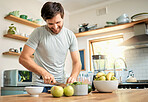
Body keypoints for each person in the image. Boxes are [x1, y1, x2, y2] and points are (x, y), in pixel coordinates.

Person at [19, 2, 81, 92]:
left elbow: (77, 62)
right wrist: (43, 72)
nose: (55, 27)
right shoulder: (38, 33)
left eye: (58, 22)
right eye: (51, 24)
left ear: (63, 17)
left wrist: (73, 76)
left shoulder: (70, 35)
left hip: (61, 85)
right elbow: (23, 58)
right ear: (45, 21)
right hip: (39, 86)